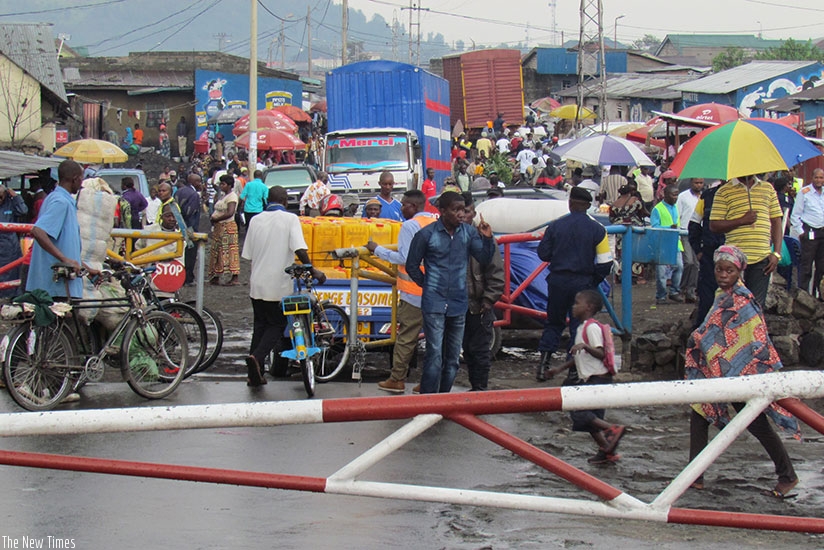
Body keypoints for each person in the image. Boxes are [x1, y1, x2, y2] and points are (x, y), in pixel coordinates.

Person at [685, 245, 800, 498]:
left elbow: (753, 339)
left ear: (739, 271)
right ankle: (695, 475)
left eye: (729, 270)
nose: (723, 274)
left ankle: (787, 474)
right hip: (724, 372)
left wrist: (702, 340)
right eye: (719, 269)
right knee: (701, 414)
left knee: (757, 425)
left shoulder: (742, 301)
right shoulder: (721, 295)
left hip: (742, 373)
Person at [406, 191, 495, 394]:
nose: (461, 214)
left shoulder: (469, 233)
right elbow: (412, 266)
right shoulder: (426, 235)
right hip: (434, 304)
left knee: (453, 359)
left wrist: (487, 239)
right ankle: (428, 401)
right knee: (435, 355)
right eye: (456, 210)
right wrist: (428, 285)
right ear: (443, 211)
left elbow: (483, 257)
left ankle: (444, 400)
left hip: (458, 303)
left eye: (463, 210)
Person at [241, 186, 326, 387]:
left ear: (266, 200)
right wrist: (313, 271)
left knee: (259, 326)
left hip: (257, 283)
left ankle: (256, 373)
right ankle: (257, 357)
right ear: (286, 201)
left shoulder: (255, 220)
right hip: (277, 284)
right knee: (277, 325)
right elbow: (300, 249)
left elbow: (249, 255)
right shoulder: (290, 219)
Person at [536, 186, 613, 381]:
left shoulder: (555, 226)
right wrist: (592, 281)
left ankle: (543, 366)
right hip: (582, 282)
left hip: (558, 281)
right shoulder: (598, 229)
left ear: (570, 204)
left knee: (553, 323)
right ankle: (573, 371)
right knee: (578, 327)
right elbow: (605, 263)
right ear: (588, 206)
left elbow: (543, 253)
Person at [367, 190, 438, 393]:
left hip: (414, 292)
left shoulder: (410, 226)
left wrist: (377, 249)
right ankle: (429, 382)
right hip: (436, 291)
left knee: (406, 338)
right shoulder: (436, 221)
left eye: (404, 204)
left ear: (413, 207)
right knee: (435, 339)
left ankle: (397, 379)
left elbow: (405, 258)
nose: (401, 208)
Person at [544, 289, 626, 464]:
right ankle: (607, 452)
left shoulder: (592, 328)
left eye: (577, 303)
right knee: (590, 421)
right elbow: (579, 358)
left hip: (598, 378)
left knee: (580, 413)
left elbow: (601, 353)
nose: (573, 307)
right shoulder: (581, 328)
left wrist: (585, 346)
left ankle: (613, 430)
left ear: (588, 307)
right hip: (591, 378)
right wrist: (558, 370)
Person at [709, 173, 783, 308]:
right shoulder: (724, 191)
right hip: (733, 261)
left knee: (756, 306)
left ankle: (753, 329)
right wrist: (742, 220)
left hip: (762, 258)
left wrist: (776, 253)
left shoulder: (768, 189)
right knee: (733, 305)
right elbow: (714, 225)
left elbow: (776, 222)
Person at [27, 160, 94, 298]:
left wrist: (87, 269)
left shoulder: (60, 200)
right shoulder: (60, 202)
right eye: (81, 179)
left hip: (62, 285)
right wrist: (64, 259)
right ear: (75, 179)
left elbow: (65, 246)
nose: (81, 183)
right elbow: (38, 231)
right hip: (55, 287)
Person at [461, 194, 504, 391]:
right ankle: (474, 387)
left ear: (474, 214)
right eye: (459, 211)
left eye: (467, 211)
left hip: (478, 304)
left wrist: (489, 298)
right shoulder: (446, 237)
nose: (462, 216)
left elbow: (495, 270)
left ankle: (480, 389)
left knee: (479, 349)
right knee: (465, 349)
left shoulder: (483, 239)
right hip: (455, 305)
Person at [789, 167, 824, 298]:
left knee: (821, 266)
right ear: (812, 178)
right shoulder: (805, 192)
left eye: (821, 177)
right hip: (809, 232)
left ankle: (819, 296)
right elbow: (795, 215)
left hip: (822, 233)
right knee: (806, 266)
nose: (819, 180)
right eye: (817, 177)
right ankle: (803, 296)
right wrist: (800, 232)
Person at [651, 184, 685, 305]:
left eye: (677, 194)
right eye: (673, 194)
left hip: (675, 243)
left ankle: (674, 291)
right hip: (662, 244)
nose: (676, 197)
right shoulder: (657, 209)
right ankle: (661, 295)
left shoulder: (676, 207)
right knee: (661, 272)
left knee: (679, 267)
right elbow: (654, 227)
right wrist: (668, 228)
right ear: (665, 195)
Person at [208, 174, 240, 286]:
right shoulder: (222, 196)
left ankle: (234, 277)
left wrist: (216, 218)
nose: (221, 186)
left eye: (223, 184)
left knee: (230, 251)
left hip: (228, 227)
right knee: (217, 251)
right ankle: (216, 275)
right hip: (219, 227)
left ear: (229, 185)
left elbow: (230, 212)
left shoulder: (232, 197)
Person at [676, 178, 704, 303]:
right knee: (688, 262)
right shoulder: (683, 196)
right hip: (685, 232)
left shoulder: (704, 197)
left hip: (698, 233)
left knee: (697, 264)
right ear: (691, 183)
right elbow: (678, 214)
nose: (698, 185)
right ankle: (681, 288)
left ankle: (691, 291)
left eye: (700, 183)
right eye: (696, 183)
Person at [0, 184, 28, 297]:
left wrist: (16, 196)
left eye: (1, 197)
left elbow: (23, 211)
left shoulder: (10, 203)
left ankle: (10, 300)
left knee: (12, 274)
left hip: (10, 247)